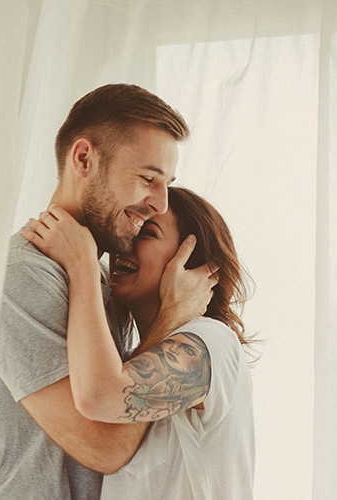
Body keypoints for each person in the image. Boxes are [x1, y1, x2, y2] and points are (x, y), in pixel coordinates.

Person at [0, 85, 217, 500]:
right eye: (148, 179)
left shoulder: (104, 284)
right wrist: (170, 318)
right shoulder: (21, 276)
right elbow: (105, 447)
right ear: (83, 160)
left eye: (167, 184)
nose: (161, 204)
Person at [23, 186, 256, 499]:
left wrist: (82, 263)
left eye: (147, 233)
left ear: (190, 263)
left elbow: (102, 397)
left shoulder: (211, 343)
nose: (125, 242)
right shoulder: (132, 358)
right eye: (130, 227)